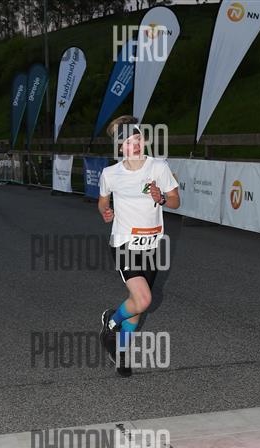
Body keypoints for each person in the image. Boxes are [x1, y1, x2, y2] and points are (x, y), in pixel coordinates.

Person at [98, 115, 180, 377]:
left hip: (152, 247)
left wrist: (162, 198)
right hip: (125, 244)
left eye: (138, 139)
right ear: (119, 147)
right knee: (143, 299)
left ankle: (120, 351)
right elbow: (102, 200)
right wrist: (105, 211)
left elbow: (176, 200)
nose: (134, 145)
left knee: (138, 303)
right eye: (127, 142)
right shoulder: (110, 174)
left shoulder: (158, 167)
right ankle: (112, 323)